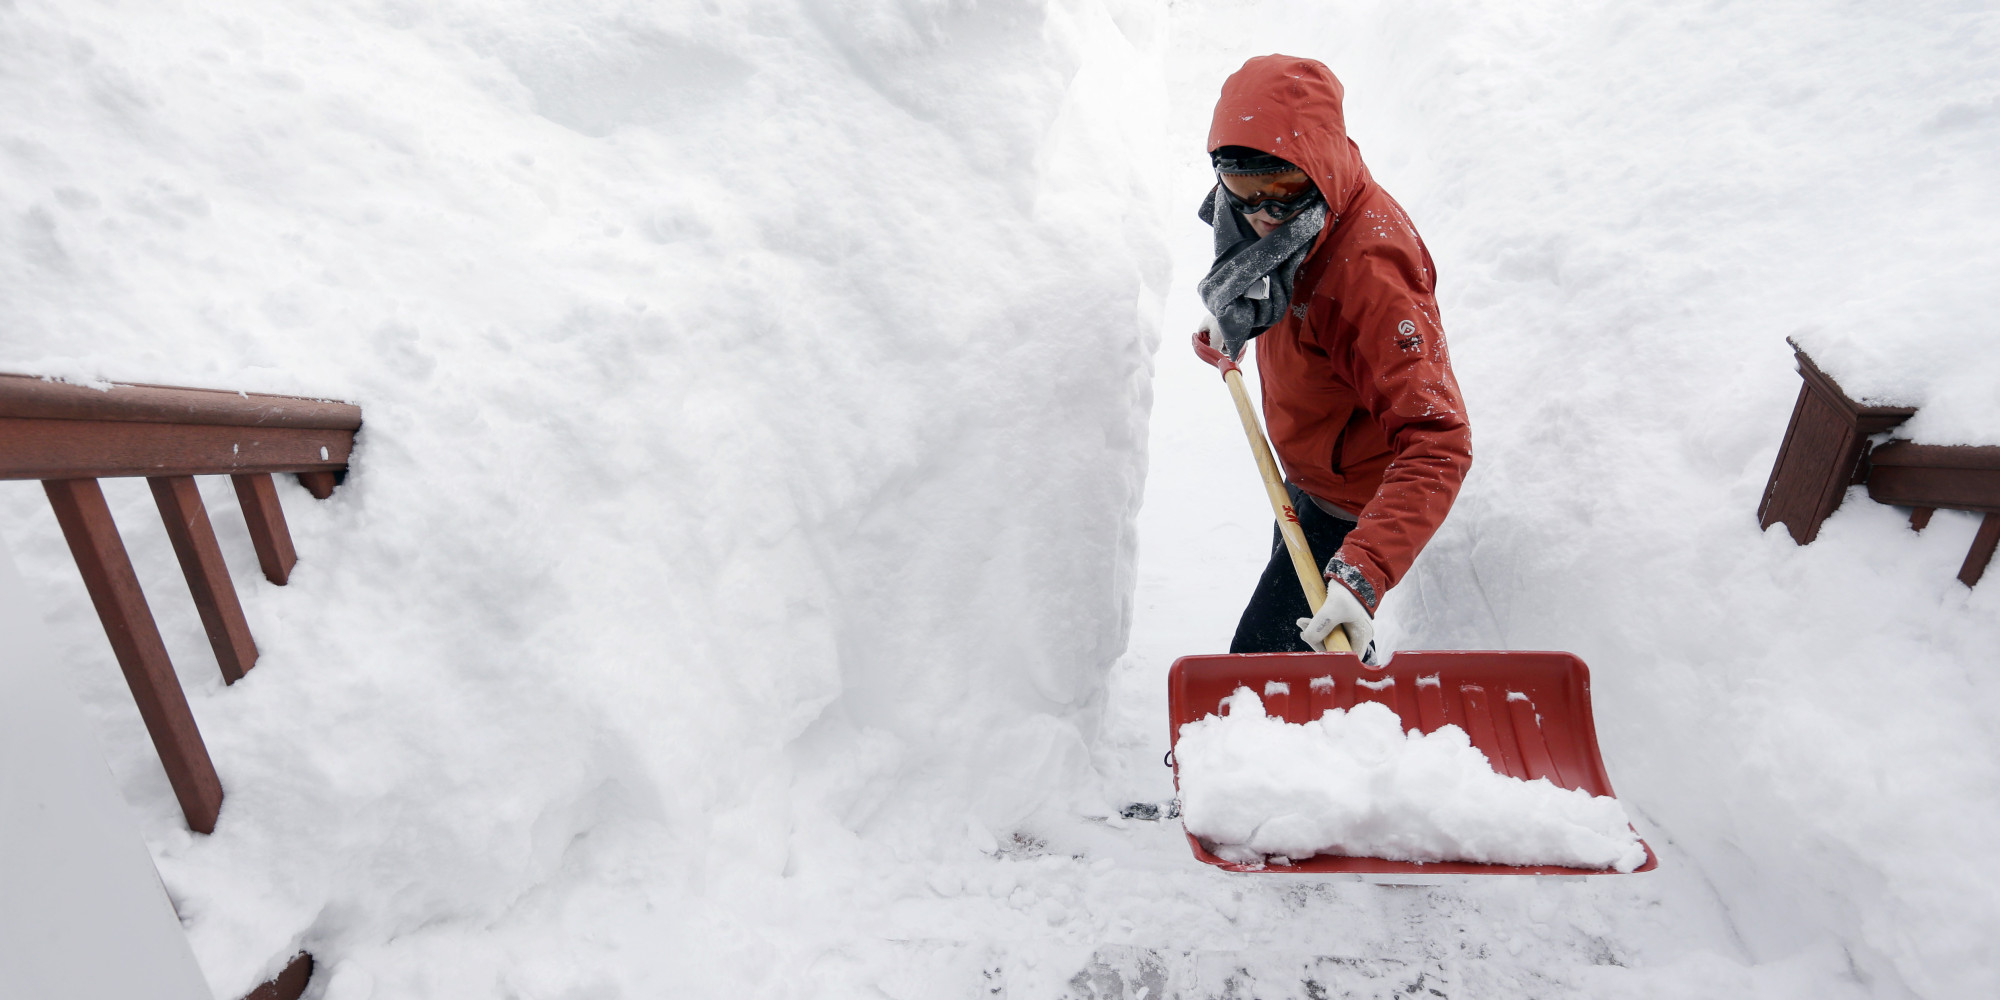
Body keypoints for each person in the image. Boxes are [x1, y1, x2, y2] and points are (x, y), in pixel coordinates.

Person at [1197, 55, 1472, 659]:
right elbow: (1265, 269)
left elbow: (1439, 441)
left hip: (1353, 505)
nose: (1264, 214)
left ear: (1316, 166)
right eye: (1244, 192)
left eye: (1283, 192)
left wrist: (1363, 571)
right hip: (1306, 475)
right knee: (1320, 656)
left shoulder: (1371, 272)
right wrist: (1236, 318)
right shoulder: (1291, 218)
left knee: (1259, 672)